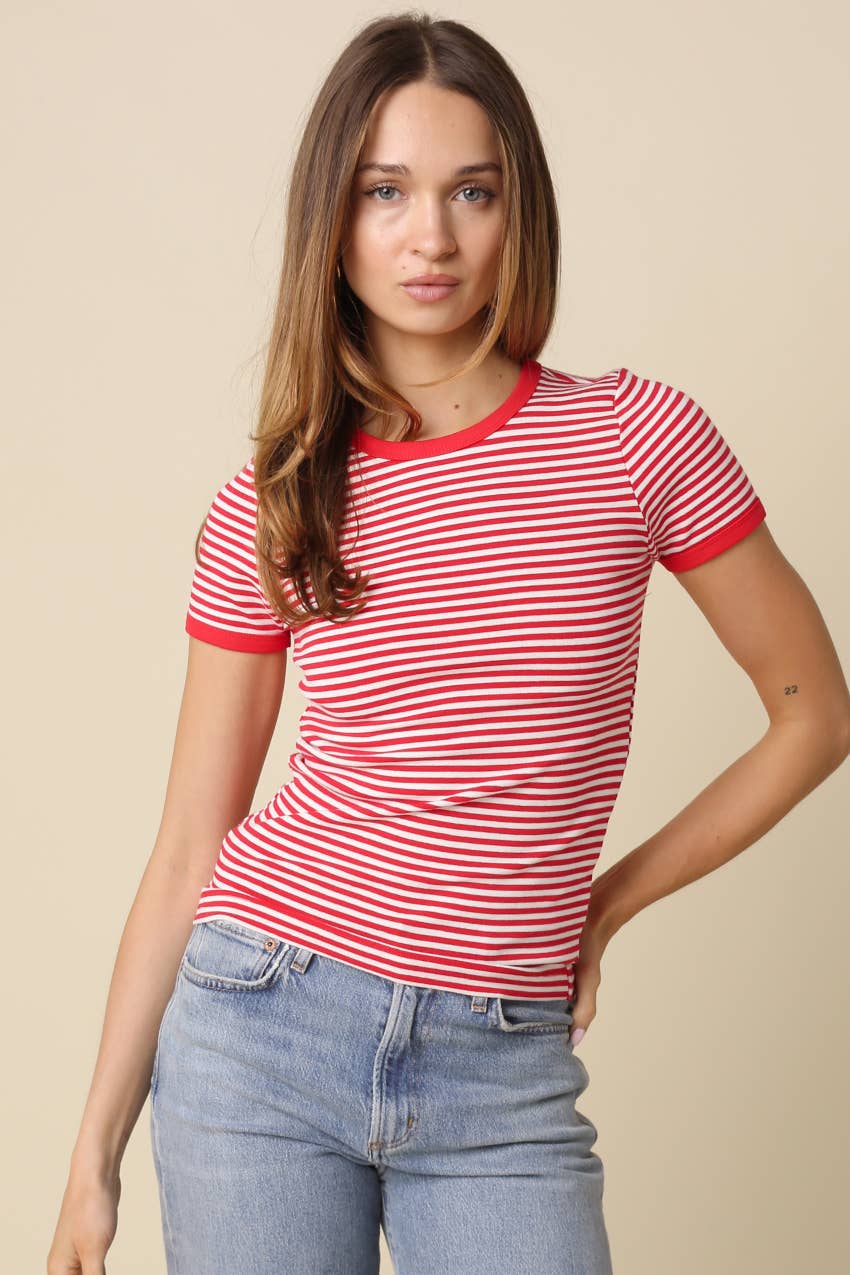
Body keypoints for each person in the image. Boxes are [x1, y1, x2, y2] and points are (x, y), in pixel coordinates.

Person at [47, 12, 850, 1275]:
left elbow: (813, 713)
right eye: (386, 192)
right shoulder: (275, 502)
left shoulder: (634, 442)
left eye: (471, 191)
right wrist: (91, 1160)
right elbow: (193, 846)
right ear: (334, 220)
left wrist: (606, 904)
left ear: (517, 209)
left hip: (502, 1065)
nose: (431, 235)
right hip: (262, 1031)